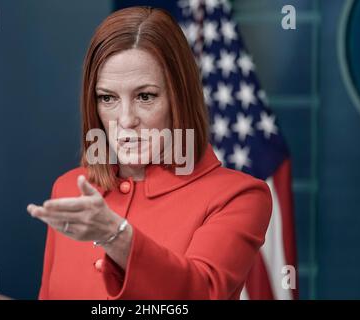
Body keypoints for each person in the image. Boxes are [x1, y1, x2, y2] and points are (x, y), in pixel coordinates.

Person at [27, 6, 272, 300]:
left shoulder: (238, 196)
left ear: (178, 98)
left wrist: (115, 236)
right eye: (108, 98)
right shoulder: (69, 188)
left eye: (145, 96)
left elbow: (201, 293)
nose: (126, 119)